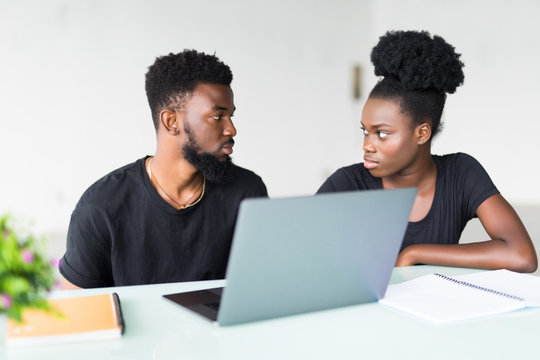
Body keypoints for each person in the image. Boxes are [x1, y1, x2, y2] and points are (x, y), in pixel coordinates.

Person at [317, 30, 537, 273]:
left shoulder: (460, 173)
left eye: (381, 133)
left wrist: (415, 253)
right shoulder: (348, 184)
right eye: (365, 131)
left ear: (421, 133)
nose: (367, 145)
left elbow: (521, 256)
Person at [60, 50, 268, 288]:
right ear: (171, 122)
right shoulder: (100, 207)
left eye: (230, 116)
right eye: (217, 116)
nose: (231, 129)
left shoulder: (248, 192)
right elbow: (76, 314)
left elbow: (263, 288)